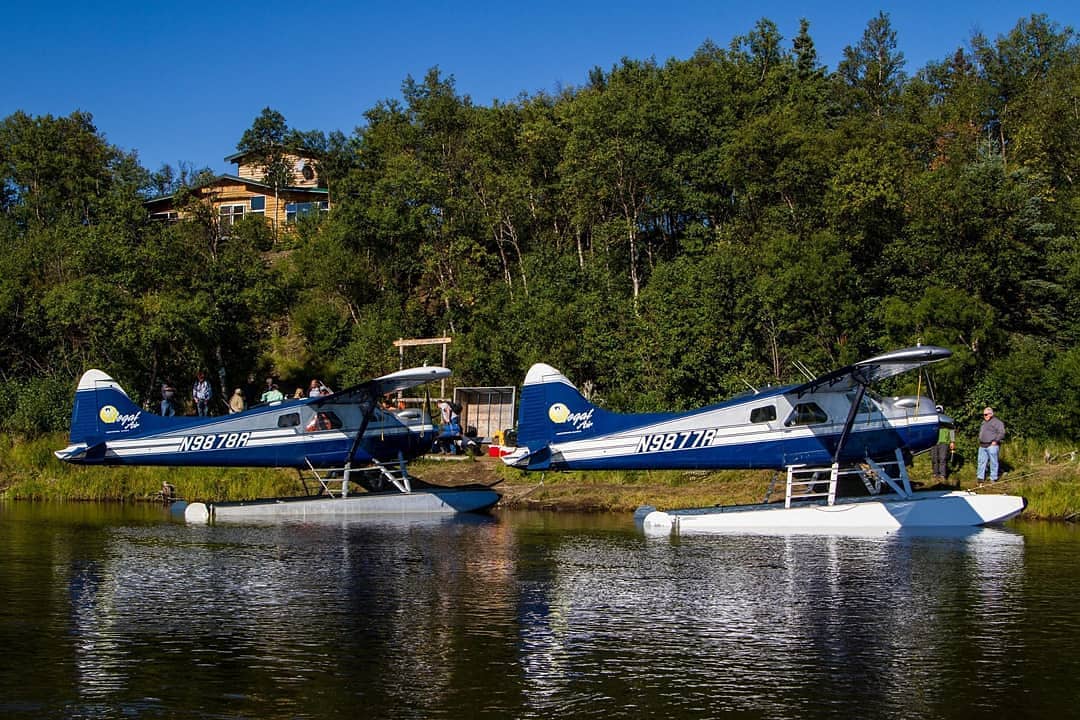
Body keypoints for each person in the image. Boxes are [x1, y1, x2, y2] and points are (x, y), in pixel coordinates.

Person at [977, 406, 1006, 483]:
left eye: (986, 414)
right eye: (983, 414)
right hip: (982, 445)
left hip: (992, 445)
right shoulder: (983, 422)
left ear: (991, 414)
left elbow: (1002, 432)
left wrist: (995, 441)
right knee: (981, 462)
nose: (984, 416)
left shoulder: (997, 422)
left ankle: (993, 478)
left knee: (993, 462)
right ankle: (980, 477)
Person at [931, 405, 955, 484]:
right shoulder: (933, 420)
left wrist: (952, 441)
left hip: (944, 441)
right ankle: (935, 474)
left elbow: (951, 430)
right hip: (934, 441)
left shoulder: (946, 420)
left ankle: (942, 475)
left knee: (943, 458)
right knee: (934, 458)